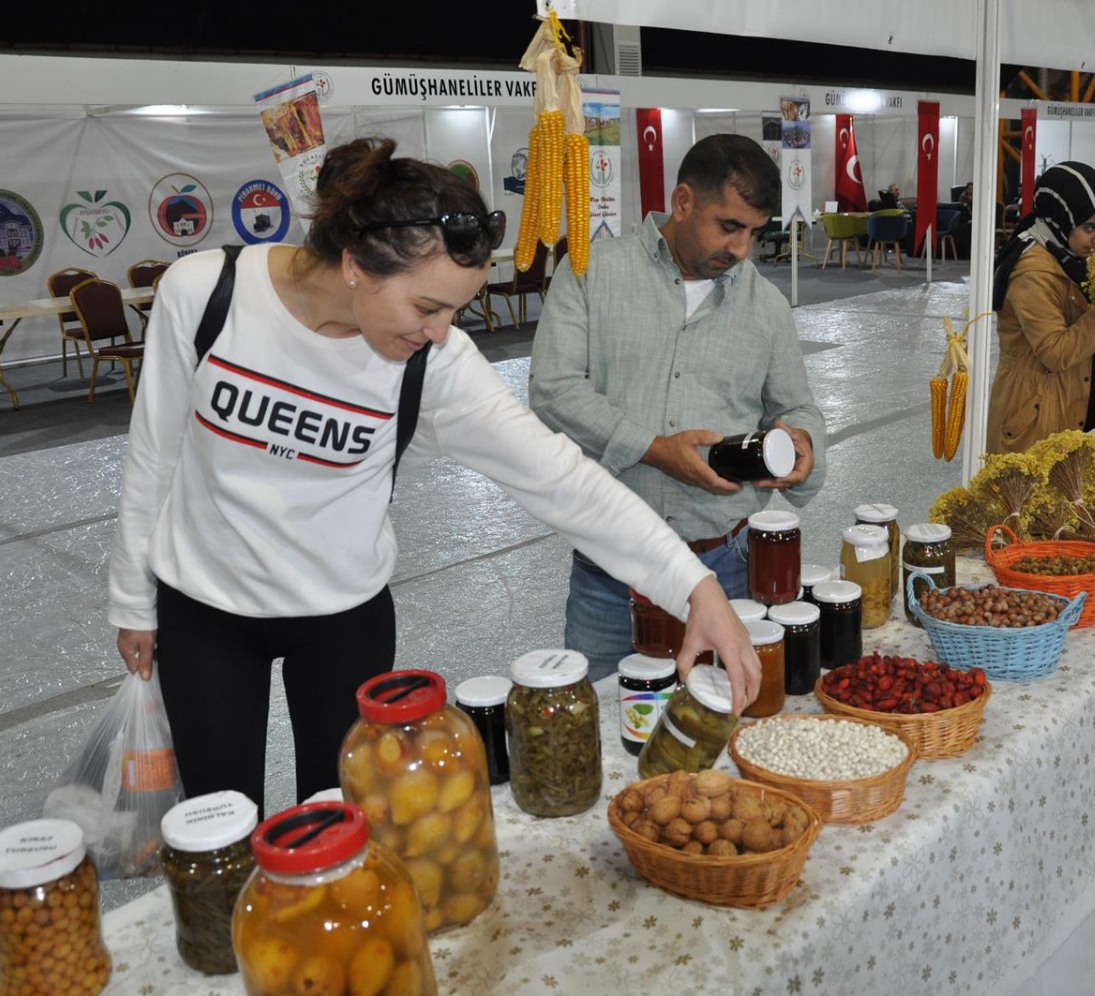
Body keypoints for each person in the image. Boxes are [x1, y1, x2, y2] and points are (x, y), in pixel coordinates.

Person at [107, 137, 761, 810]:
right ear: (357, 263)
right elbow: (153, 453)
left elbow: (563, 480)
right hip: (206, 614)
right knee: (219, 823)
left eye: (457, 311)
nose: (444, 333)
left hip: (340, 619)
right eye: (427, 308)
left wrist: (696, 588)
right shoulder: (208, 292)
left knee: (346, 826)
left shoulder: (434, 364)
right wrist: (132, 600)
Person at [529, 133, 829, 679]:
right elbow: (554, 388)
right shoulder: (591, 272)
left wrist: (805, 443)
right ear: (683, 201)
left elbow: (797, 407)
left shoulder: (766, 307)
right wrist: (652, 449)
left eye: (754, 233)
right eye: (729, 226)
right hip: (612, 572)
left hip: (727, 569)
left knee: (721, 726)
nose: (740, 249)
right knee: (606, 732)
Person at [986, 161, 1095, 454]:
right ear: (1060, 219)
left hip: (1059, 397)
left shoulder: (1063, 255)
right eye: (1089, 227)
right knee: (1030, 496)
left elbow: (1067, 317)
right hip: (1033, 411)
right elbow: (1056, 351)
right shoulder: (1034, 274)